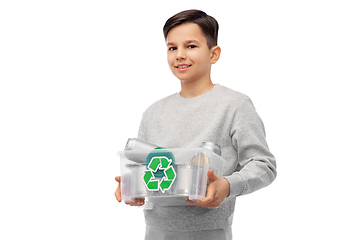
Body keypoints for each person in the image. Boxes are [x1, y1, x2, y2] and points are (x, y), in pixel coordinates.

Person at [115, 9, 277, 240]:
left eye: (190, 46)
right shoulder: (153, 113)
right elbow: (143, 167)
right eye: (172, 48)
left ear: (214, 54)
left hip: (209, 232)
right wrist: (132, 185)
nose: (180, 55)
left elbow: (264, 164)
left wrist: (227, 186)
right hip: (156, 232)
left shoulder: (235, 105)